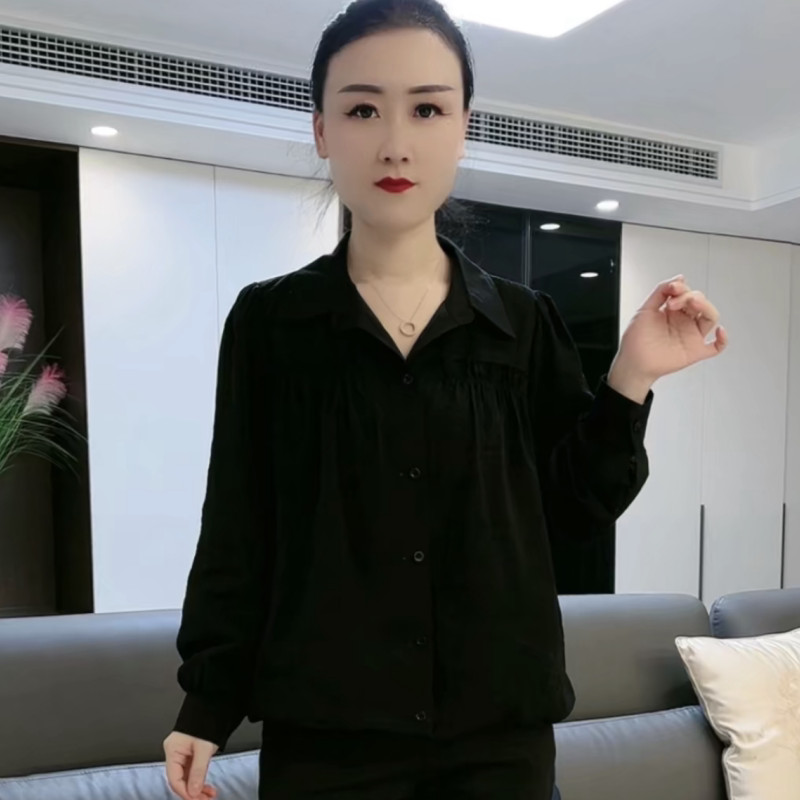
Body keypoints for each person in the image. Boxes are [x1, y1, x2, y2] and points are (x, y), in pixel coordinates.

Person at [163, 1, 727, 798]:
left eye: (427, 109)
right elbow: (238, 525)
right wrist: (206, 703)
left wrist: (631, 377)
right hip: (327, 745)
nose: (396, 143)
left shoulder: (523, 324)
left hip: (498, 746)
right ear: (322, 130)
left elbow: (573, 512)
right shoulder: (270, 323)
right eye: (363, 109)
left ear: (464, 127)